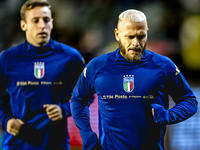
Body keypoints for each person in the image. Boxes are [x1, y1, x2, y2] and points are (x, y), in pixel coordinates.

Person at [70, 9, 198, 150]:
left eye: (141, 36)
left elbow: (190, 101)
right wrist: (88, 137)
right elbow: (78, 99)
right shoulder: (97, 66)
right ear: (117, 34)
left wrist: (168, 115)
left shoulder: (163, 66)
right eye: (130, 37)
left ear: (147, 32)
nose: (136, 43)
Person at [0, 0, 85, 149]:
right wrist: (5, 120)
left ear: (51, 23)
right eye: (35, 20)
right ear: (23, 25)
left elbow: (88, 94)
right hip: (17, 145)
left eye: (46, 20)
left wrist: (65, 109)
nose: (42, 25)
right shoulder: (7, 59)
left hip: (55, 145)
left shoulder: (71, 57)